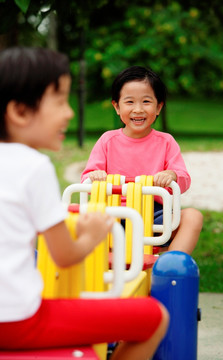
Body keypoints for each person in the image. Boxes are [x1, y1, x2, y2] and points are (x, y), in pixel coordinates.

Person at [0, 48, 169, 360]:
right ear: (20, 111)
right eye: (61, 102)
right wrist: (91, 235)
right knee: (156, 317)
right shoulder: (33, 166)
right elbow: (64, 256)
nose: (70, 113)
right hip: (18, 322)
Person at [81, 66, 203, 255]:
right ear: (117, 106)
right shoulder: (107, 140)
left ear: (158, 107)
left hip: (154, 213)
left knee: (193, 217)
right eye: (129, 102)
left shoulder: (166, 142)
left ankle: (167, 267)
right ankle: (101, 263)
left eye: (146, 102)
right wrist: (95, 176)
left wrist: (172, 175)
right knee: (75, 220)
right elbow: (87, 179)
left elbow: (183, 179)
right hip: (112, 211)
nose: (138, 109)